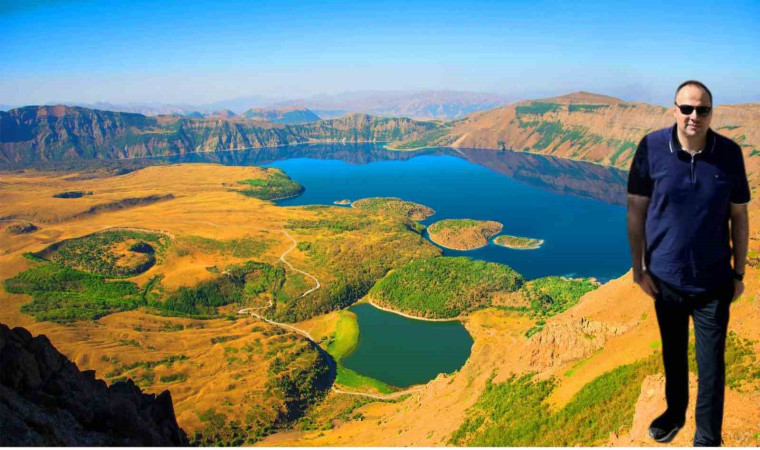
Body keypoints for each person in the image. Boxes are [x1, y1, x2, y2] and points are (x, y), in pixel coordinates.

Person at [626, 80, 750, 447]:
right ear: (674, 109)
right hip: (666, 281)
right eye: (687, 108)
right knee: (673, 356)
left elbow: (739, 217)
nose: (694, 116)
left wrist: (739, 274)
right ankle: (675, 413)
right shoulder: (650, 148)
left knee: (711, 367)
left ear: (712, 112)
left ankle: (707, 438)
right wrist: (639, 269)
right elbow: (636, 211)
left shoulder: (729, 154)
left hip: (713, 282)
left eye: (703, 109)